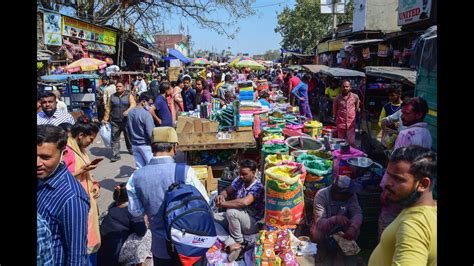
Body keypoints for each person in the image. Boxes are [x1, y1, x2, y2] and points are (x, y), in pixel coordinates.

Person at [126, 127, 209, 265]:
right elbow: (205, 202)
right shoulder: (185, 172)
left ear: (152, 148)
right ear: (175, 147)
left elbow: (135, 211)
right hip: (188, 244)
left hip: (160, 247)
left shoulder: (136, 177)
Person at [369, 146, 437, 266]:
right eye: (388, 174)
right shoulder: (430, 208)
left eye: (397, 179)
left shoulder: (414, 225)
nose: (387, 183)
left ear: (423, 184)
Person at [37, 125, 89, 264]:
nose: (37, 163)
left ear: (63, 154)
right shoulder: (41, 178)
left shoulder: (72, 199)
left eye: (45, 157)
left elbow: (76, 257)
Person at [62, 116, 102, 264]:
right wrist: (82, 170)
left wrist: (95, 184)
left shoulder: (80, 149)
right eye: (90, 139)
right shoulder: (67, 151)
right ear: (80, 136)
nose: (91, 142)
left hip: (86, 201)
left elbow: (88, 176)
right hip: (75, 205)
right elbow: (61, 179)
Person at [214, 159, 264, 262]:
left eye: (244, 174)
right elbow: (227, 191)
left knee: (231, 212)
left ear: (253, 173)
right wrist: (221, 196)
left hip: (252, 222)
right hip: (239, 217)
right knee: (212, 218)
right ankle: (232, 244)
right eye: (240, 173)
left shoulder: (258, 187)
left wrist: (223, 204)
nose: (241, 176)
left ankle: (240, 243)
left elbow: (244, 202)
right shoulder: (240, 179)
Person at [310, 175, 363, 263]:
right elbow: (320, 222)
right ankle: (323, 249)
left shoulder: (351, 195)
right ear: (338, 194)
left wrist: (353, 227)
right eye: (348, 194)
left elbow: (357, 213)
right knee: (317, 232)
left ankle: (340, 253)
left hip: (342, 227)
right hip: (326, 226)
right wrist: (334, 219)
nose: (351, 195)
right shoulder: (321, 195)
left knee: (356, 231)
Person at [97, 184, 148, 266]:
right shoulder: (132, 211)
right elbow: (141, 232)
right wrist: (144, 221)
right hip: (117, 254)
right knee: (147, 233)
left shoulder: (113, 205)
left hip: (103, 252)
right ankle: (136, 261)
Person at [103, 82, 136, 162]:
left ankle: (130, 149)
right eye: (117, 86)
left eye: (120, 86)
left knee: (128, 136)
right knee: (115, 138)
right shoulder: (112, 97)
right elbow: (108, 108)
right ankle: (116, 155)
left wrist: (128, 111)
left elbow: (133, 104)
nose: (118, 88)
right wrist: (105, 119)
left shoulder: (129, 95)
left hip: (126, 121)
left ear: (124, 87)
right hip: (115, 121)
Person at [127, 93, 155, 169]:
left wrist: (132, 141)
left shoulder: (130, 113)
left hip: (135, 145)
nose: (151, 106)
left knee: (140, 168)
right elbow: (150, 133)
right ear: (143, 102)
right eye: (150, 104)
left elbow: (128, 130)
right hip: (146, 145)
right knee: (151, 167)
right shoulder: (146, 114)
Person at [333, 80, 360, 146]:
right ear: (341, 87)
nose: (345, 88)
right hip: (341, 123)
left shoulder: (355, 97)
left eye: (347, 86)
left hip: (351, 124)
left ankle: (351, 156)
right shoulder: (337, 98)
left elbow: (356, 108)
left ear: (350, 87)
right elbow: (334, 111)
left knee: (351, 143)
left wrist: (351, 115)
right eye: (343, 86)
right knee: (340, 142)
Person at [378, 85, 403, 149]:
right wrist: (387, 127)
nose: (390, 98)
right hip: (388, 139)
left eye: (393, 95)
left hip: (401, 139)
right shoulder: (386, 107)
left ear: (399, 94)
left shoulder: (404, 107)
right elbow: (380, 122)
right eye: (389, 95)